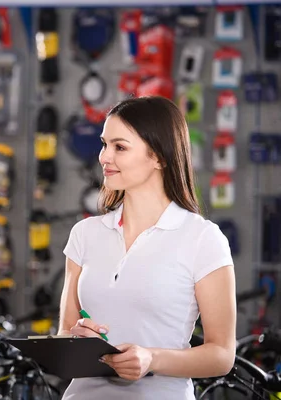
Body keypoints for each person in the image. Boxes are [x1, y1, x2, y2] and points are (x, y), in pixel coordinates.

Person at [58, 96, 236, 399]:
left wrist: (152, 359)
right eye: (104, 144)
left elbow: (221, 355)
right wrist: (77, 341)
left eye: (120, 147)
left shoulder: (203, 239)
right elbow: (64, 334)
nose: (104, 157)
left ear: (159, 157)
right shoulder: (84, 234)